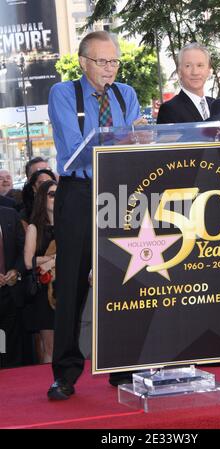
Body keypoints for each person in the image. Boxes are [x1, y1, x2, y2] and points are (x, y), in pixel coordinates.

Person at [47, 30, 147, 400]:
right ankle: (65, 372)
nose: (110, 69)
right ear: (84, 62)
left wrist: (138, 137)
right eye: (103, 62)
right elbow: (77, 150)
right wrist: (124, 135)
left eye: (115, 61)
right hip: (79, 192)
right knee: (72, 283)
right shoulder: (63, 93)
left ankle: (122, 366)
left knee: (123, 278)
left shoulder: (127, 94)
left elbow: (140, 140)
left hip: (121, 192)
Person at [24, 180, 57, 364]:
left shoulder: (69, 226)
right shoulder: (34, 228)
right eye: (52, 194)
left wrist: (52, 260)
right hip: (44, 292)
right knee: (50, 347)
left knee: (67, 343)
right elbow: (29, 262)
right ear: (42, 198)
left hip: (66, 289)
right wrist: (54, 259)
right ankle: (49, 383)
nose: (56, 198)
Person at [157, 42, 214, 124]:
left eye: (200, 65)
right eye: (188, 66)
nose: (195, 72)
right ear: (179, 72)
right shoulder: (169, 110)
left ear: (208, 70)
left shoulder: (216, 106)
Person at [0, 205, 25, 368]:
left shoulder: (10, 215)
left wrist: (16, 271)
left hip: (9, 292)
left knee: (8, 344)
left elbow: (23, 249)